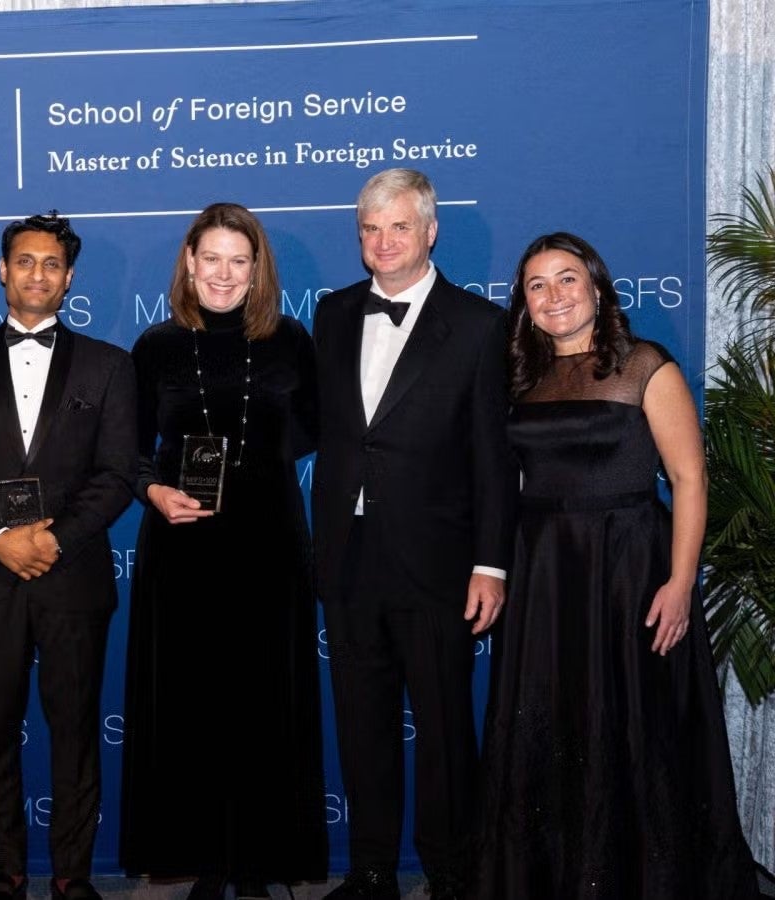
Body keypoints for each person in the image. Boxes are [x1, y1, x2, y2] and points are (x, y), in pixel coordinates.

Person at [473, 232, 760, 899]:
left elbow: (689, 479)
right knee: (551, 722)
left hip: (630, 566)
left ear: (597, 288)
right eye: (537, 285)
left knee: (634, 722)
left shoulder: (645, 366)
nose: (554, 295)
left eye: (567, 279)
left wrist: (681, 583)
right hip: (544, 571)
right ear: (523, 304)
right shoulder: (522, 378)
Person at [311, 168, 517, 900]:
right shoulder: (333, 313)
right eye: (371, 228)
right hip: (348, 555)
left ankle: (451, 871)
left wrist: (491, 563)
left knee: (443, 725)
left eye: (400, 226)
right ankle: (371, 869)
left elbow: (494, 457)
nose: (384, 241)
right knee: (360, 723)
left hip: (438, 560)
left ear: (431, 232)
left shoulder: (479, 324)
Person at [117, 203, 326, 900]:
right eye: (212, 258)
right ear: (189, 262)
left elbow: (316, 430)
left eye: (240, 260)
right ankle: (204, 859)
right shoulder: (155, 346)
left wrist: (257, 468)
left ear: (258, 268)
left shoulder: (292, 341)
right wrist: (154, 491)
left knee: (265, 700)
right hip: (183, 544)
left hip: (269, 543)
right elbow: (128, 450)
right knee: (192, 705)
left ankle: (258, 863)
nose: (224, 274)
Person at [0, 211, 136, 900]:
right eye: (24, 261)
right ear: (2, 270)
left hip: (70, 574)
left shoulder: (109, 366)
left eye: (51, 264)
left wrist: (53, 538)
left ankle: (72, 876)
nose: (37, 275)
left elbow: (116, 473)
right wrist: (0, 539)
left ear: (69, 277)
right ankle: (4, 873)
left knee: (75, 732)